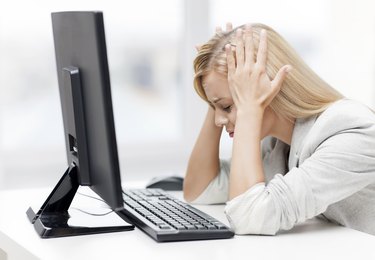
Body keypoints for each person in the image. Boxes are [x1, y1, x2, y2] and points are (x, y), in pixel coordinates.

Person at [183, 22, 375, 235]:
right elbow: (200, 189)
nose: (218, 120)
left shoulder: (350, 130)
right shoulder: (277, 144)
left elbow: (248, 216)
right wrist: (218, 93)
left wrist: (247, 108)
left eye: (227, 107)